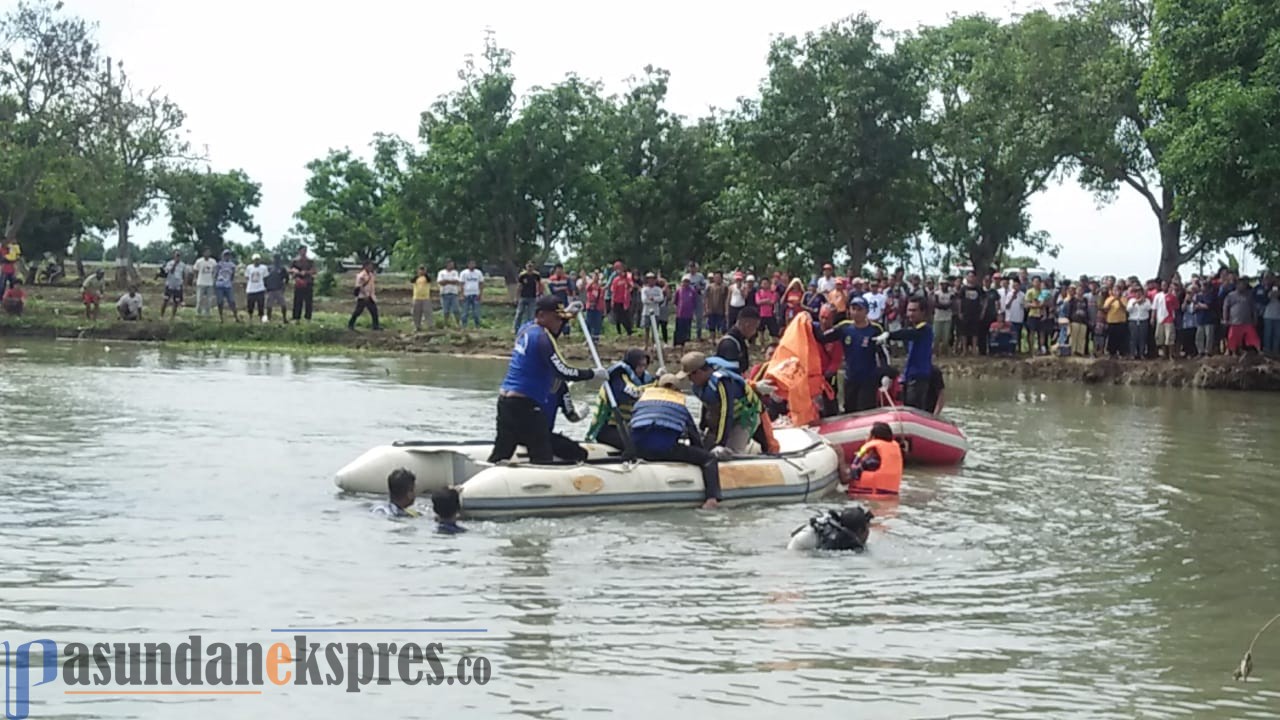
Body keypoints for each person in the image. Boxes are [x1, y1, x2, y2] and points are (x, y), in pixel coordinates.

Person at [490, 296, 607, 464]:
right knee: (542, 455)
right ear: (542, 315)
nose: (560, 323)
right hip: (526, 405)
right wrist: (593, 374)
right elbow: (563, 370)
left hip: (505, 402)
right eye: (557, 319)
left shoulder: (526, 329)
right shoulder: (542, 339)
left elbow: (554, 332)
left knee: (502, 451)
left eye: (561, 319)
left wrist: (569, 314)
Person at [629, 373, 722, 510]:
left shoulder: (642, 401)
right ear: (678, 390)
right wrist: (700, 451)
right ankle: (712, 499)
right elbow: (694, 438)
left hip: (638, 449)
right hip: (665, 449)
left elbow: (632, 426)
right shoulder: (680, 404)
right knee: (709, 459)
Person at [676, 351, 763, 455]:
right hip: (720, 421)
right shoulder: (699, 385)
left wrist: (720, 443)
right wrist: (702, 428)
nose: (690, 380)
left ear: (699, 372)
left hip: (743, 419)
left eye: (690, 376)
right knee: (704, 450)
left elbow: (726, 413)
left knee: (729, 453)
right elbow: (706, 406)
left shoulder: (722, 382)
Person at [814, 297, 888, 413]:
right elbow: (823, 338)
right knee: (850, 410)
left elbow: (883, 354)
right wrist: (808, 322)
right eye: (853, 309)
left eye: (859, 309)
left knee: (866, 411)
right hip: (850, 378)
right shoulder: (844, 327)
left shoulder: (875, 329)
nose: (856, 312)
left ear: (866, 311)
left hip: (868, 379)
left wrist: (885, 375)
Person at [586, 348, 654, 451]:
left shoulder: (645, 380)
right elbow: (629, 393)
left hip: (629, 427)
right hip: (608, 428)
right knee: (634, 445)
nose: (642, 370)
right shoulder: (617, 377)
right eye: (639, 366)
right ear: (632, 364)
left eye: (644, 366)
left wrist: (661, 380)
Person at [875, 298, 934, 412]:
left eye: (914, 310)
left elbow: (908, 334)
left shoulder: (924, 329)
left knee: (914, 410)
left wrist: (889, 335)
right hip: (910, 375)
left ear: (923, 312)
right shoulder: (915, 329)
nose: (910, 314)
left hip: (919, 377)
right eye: (908, 310)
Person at [849, 421, 903, 497]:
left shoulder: (871, 462)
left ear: (873, 437)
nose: (866, 437)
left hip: (870, 497)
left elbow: (851, 476)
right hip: (889, 496)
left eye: (868, 434)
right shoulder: (890, 452)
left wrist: (840, 456)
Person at [786, 506, 874, 552]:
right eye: (867, 528)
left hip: (803, 536)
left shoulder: (836, 529)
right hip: (798, 548)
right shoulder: (842, 540)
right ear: (860, 531)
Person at [715, 305, 760, 375]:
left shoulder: (739, 340)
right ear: (747, 325)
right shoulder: (729, 344)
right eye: (755, 328)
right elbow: (731, 375)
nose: (755, 332)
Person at [349, 261, 381, 330]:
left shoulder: (371, 275)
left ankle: (376, 326)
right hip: (363, 296)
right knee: (358, 311)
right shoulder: (361, 275)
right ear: (365, 266)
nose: (371, 267)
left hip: (370, 296)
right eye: (369, 266)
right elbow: (359, 286)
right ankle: (350, 324)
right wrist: (365, 294)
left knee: (374, 311)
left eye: (371, 266)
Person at [289, 246, 316, 321]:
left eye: (305, 250)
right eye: (302, 250)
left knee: (308, 302)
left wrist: (306, 272)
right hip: (298, 282)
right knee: (297, 301)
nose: (304, 252)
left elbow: (314, 270)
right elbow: (290, 270)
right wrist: (294, 271)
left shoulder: (310, 261)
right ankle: (296, 317)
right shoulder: (295, 261)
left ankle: (308, 317)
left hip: (308, 282)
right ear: (299, 251)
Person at [514, 262, 542, 331]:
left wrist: (539, 293)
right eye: (528, 267)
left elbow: (539, 284)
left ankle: (529, 329)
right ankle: (516, 328)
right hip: (523, 296)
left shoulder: (536, 275)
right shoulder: (522, 275)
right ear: (526, 267)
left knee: (531, 315)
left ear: (533, 268)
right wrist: (516, 297)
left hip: (532, 297)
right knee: (519, 313)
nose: (530, 268)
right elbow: (519, 286)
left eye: (531, 267)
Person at [214, 250, 240, 323]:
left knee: (232, 301)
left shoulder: (232, 265)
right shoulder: (219, 264)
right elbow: (216, 274)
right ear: (222, 256)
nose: (226, 256)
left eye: (228, 255)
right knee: (220, 302)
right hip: (219, 284)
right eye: (225, 255)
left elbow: (233, 275)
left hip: (228, 285)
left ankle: (236, 317)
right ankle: (221, 317)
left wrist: (230, 281)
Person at [263, 254, 290, 323]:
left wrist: (284, 286)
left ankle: (284, 318)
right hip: (270, 289)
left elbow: (287, 278)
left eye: (277, 258)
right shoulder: (269, 268)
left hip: (279, 289)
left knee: (283, 305)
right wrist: (266, 286)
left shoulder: (282, 268)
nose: (276, 260)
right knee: (269, 305)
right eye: (275, 258)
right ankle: (269, 319)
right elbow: (265, 278)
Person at [161, 251, 187, 319]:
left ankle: (173, 316)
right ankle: (162, 315)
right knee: (166, 300)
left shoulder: (183, 265)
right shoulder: (170, 263)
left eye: (179, 256)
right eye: (176, 255)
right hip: (170, 284)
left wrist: (184, 284)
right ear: (174, 256)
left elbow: (184, 274)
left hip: (178, 285)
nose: (177, 257)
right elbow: (171, 272)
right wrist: (175, 264)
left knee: (176, 301)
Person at [460, 260, 484, 328]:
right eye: (471, 264)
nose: (472, 265)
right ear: (468, 265)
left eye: (473, 264)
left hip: (476, 294)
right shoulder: (464, 273)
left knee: (476, 313)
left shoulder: (478, 273)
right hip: (466, 294)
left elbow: (481, 283)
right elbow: (461, 284)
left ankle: (477, 326)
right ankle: (464, 326)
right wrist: (462, 294)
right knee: (465, 312)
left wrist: (481, 294)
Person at [244, 253, 268, 320]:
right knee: (250, 305)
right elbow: (247, 277)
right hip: (251, 289)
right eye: (255, 260)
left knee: (261, 305)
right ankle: (250, 317)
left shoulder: (264, 268)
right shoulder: (249, 267)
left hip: (260, 289)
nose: (256, 261)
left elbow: (265, 278)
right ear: (253, 260)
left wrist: (265, 287)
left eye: (258, 260)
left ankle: (261, 318)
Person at [193, 248, 217, 316]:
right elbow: (195, 270)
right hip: (201, 282)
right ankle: (198, 312)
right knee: (199, 299)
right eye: (206, 252)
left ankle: (207, 312)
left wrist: (214, 278)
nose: (207, 254)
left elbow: (215, 270)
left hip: (210, 283)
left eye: (208, 252)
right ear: (203, 253)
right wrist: (195, 278)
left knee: (209, 299)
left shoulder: (213, 261)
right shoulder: (199, 261)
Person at [437, 260, 462, 327]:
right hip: (444, 293)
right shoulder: (441, 272)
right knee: (445, 311)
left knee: (456, 309)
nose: (452, 266)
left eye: (453, 264)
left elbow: (456, 281)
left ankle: (458, 324)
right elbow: (440, 282)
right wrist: (450, 281)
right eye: (451, 264)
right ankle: (446, 324)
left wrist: (446, 281)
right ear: (447, 264)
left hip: (454, 293)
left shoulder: (455, 272)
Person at [411, 265, 434, 331]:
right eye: (420, 270)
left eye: (423, 270)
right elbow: (412, 280)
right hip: (416, 297)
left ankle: (430, 326)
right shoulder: (416, 278)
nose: (422, 271)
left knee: (428, 312)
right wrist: (418, 275)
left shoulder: (426, 278)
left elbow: (429, 280)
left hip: (426, 298)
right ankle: (417, 326)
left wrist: (425, 274)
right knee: (416, 313)